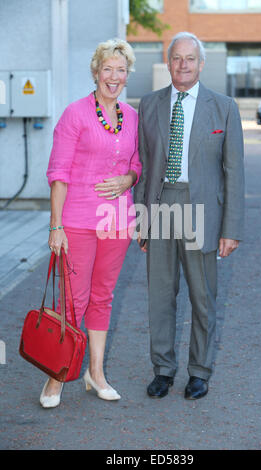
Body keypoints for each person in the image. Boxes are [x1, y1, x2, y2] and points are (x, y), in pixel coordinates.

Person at [134, 32, 244, 400]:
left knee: (202, 296)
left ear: (201, 64)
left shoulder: (223, 107)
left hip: (202, 210)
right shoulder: (148, 105)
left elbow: (234, 172)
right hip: (162, 203)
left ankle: (199, 371)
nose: (183, 64)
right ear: (168, 63)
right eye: (177, 58)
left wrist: (231, 228)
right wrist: (142, 220)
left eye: (190, 58)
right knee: (160, 294)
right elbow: (146, 167)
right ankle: (163, 370)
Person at [41, 38, 142, 408]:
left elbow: (137, 164)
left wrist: (129, 180)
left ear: (127, 75)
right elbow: (58, 173)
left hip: (117, 222)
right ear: (96, 72)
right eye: (108, 69)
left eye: (121, 70)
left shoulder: (133, 117)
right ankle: (56, 375)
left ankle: (94, 373)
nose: (113, 77)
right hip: (79, 220)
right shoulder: (76, 114)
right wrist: (56, 226)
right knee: (74, 300)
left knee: (103, 296)